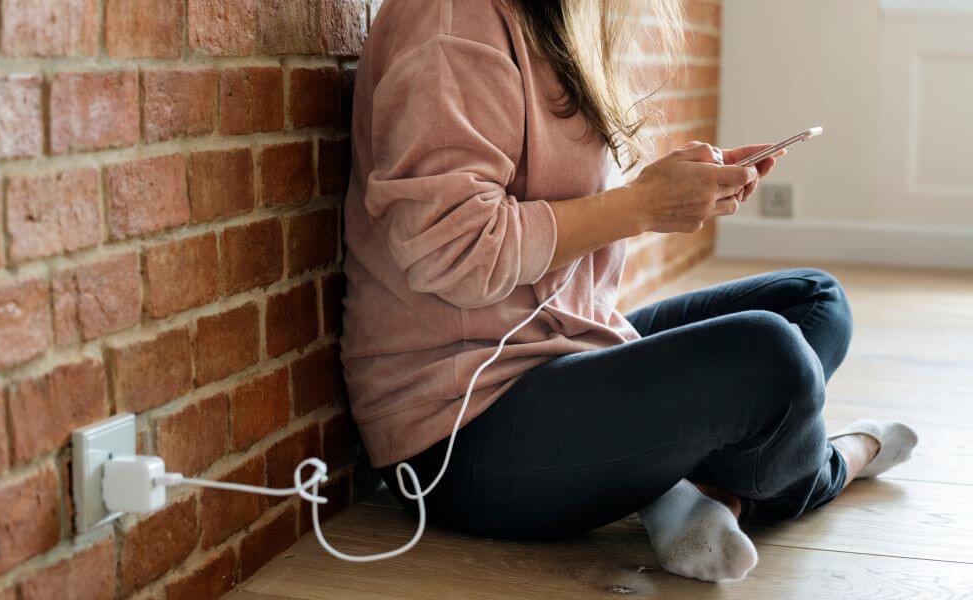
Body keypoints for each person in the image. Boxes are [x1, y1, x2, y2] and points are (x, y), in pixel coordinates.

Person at [340, 0, 918, 582]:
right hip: (462, 434)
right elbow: (454, 250)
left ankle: (683, 487)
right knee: (773, 356)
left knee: (816, 301)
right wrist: (642, 206)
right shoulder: (454, 21)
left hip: (568, 348)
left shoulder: (548, 19)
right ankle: (834, 462)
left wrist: (665, 191)